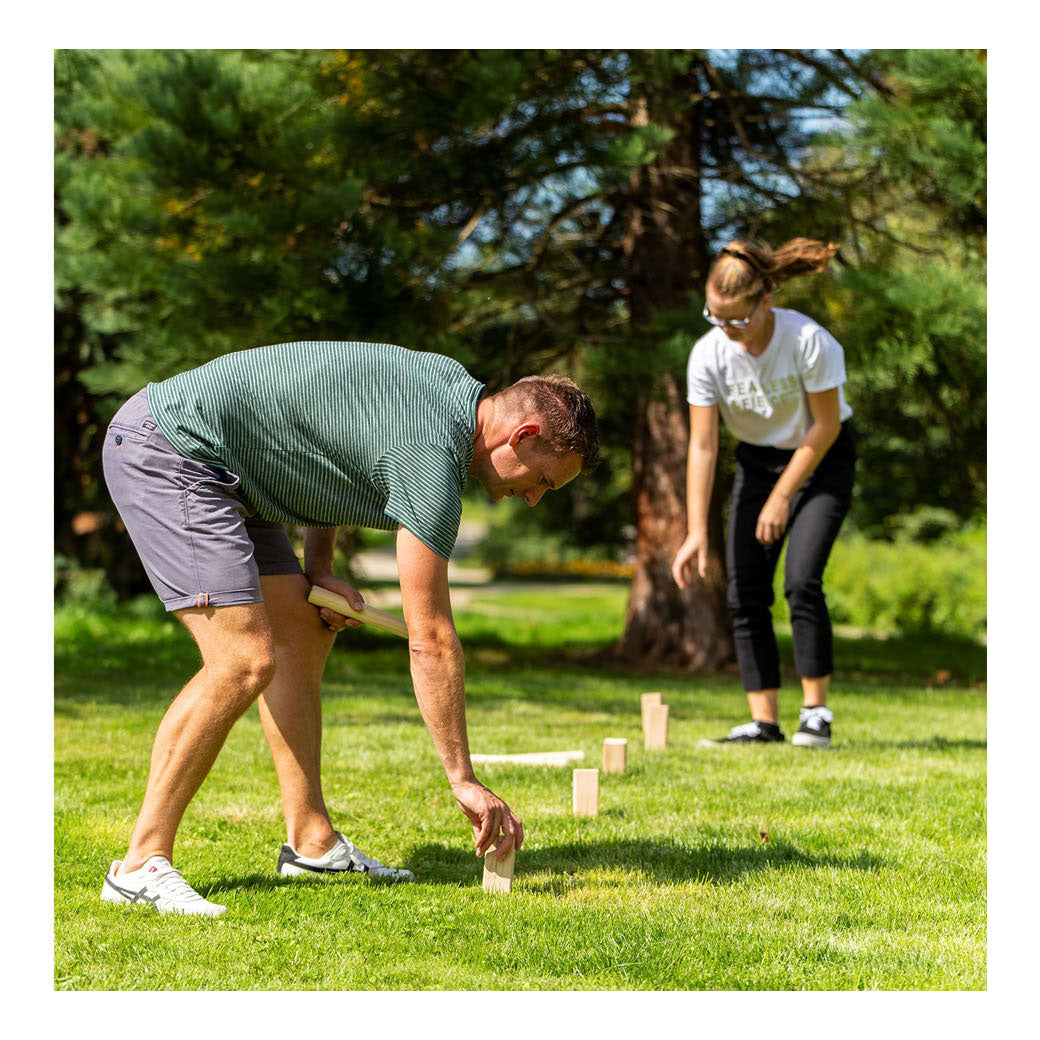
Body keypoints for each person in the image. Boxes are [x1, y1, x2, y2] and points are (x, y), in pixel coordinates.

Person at [98, 339, 600, 916]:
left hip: (235, 471)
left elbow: (332, 445)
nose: (534, 499)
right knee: (242, 661)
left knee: (303, 633)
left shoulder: (446, 392)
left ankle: (312, 842)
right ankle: (140, 864)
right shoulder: (434, 456)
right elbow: (430, 638)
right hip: (172, 449)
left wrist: (320, 568)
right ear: (523, 436)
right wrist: (462, 777)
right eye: (542, 481)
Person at [672, 238, 855, 749]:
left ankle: (815, 713)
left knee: (801, 580)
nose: (727, 330)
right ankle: (764, 722)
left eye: (737, 319)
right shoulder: (707, 356)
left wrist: (782, 496)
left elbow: (824, 427)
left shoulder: (808, 341)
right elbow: (704, 448)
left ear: (765, 301)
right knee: (744, 589)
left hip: (821, 459)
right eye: (716, 317)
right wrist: (694, 532)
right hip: (757, 463)